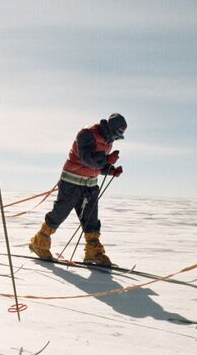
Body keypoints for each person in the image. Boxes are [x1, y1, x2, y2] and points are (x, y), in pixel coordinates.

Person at [28, 113, 127, 266]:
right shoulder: (87, 134)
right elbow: (86, 158)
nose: (115, 139)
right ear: (110, 128)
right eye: (116, 134)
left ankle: (93, 253)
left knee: (91, 221)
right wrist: (106, 159)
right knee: (59, 214)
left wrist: (110, 170)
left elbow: (96, 165)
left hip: (90, 186)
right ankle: (39, 243)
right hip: (71, 183)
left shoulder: (108, 142)